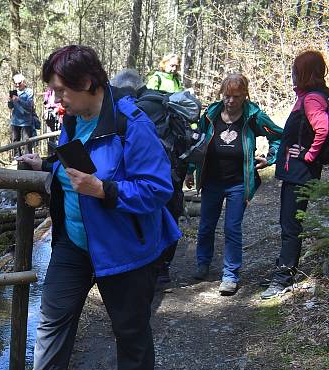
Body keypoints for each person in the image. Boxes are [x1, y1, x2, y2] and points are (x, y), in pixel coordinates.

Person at [0, 45, 180, 370]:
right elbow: (78, 160)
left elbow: (159, 188)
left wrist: (105, 190)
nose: (56, 99)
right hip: (74, 242)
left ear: (88, 83)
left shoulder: (131, 125)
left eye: (61, 90)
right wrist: (45, 164)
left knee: (129, 324)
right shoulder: (73, 118)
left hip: (124, 247)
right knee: (52, 320)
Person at [185, 74, 282, 295]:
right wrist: (191, 170)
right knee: (206, 225)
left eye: (236, 96)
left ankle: (230, 275)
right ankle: (203, 264)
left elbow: (278, 135)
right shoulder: (211, 114)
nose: (230, 101)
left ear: (245, 95)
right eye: (227, 96)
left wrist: (271, 157)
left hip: (239, 182)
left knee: (232, 228)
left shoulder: (253, 116)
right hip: (211, 180)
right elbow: (197, 142)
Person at [261, 50, 328, 299]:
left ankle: (283, 278)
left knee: (290, 225)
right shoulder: (306, 97)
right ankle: (283, 270)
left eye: (295, 70)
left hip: (301, 173)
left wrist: (309, 156)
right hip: (295, 172)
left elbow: (322, 129)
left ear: (305, 73)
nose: (292, 74)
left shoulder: (312, 99)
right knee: (288, 223)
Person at [112, 67, 186, 286]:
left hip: (149, 175)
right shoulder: (160, 102)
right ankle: (163, 267)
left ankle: (152, 267)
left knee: (150, 217)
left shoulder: (132, 110)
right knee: (170, 214)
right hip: (172, 171)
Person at [8, 73, 37, 157]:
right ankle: (17, 157)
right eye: (15, 83)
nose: (17, 85)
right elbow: (10, 107)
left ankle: (28, 158)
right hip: (15, 120)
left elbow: (29, 106)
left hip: (26, 121)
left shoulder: (29, 92)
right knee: (15, 140)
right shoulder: (14, 92)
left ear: (23, 82)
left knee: (27, 141)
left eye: (19, 83)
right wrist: (10, 101)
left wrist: (19, 100)